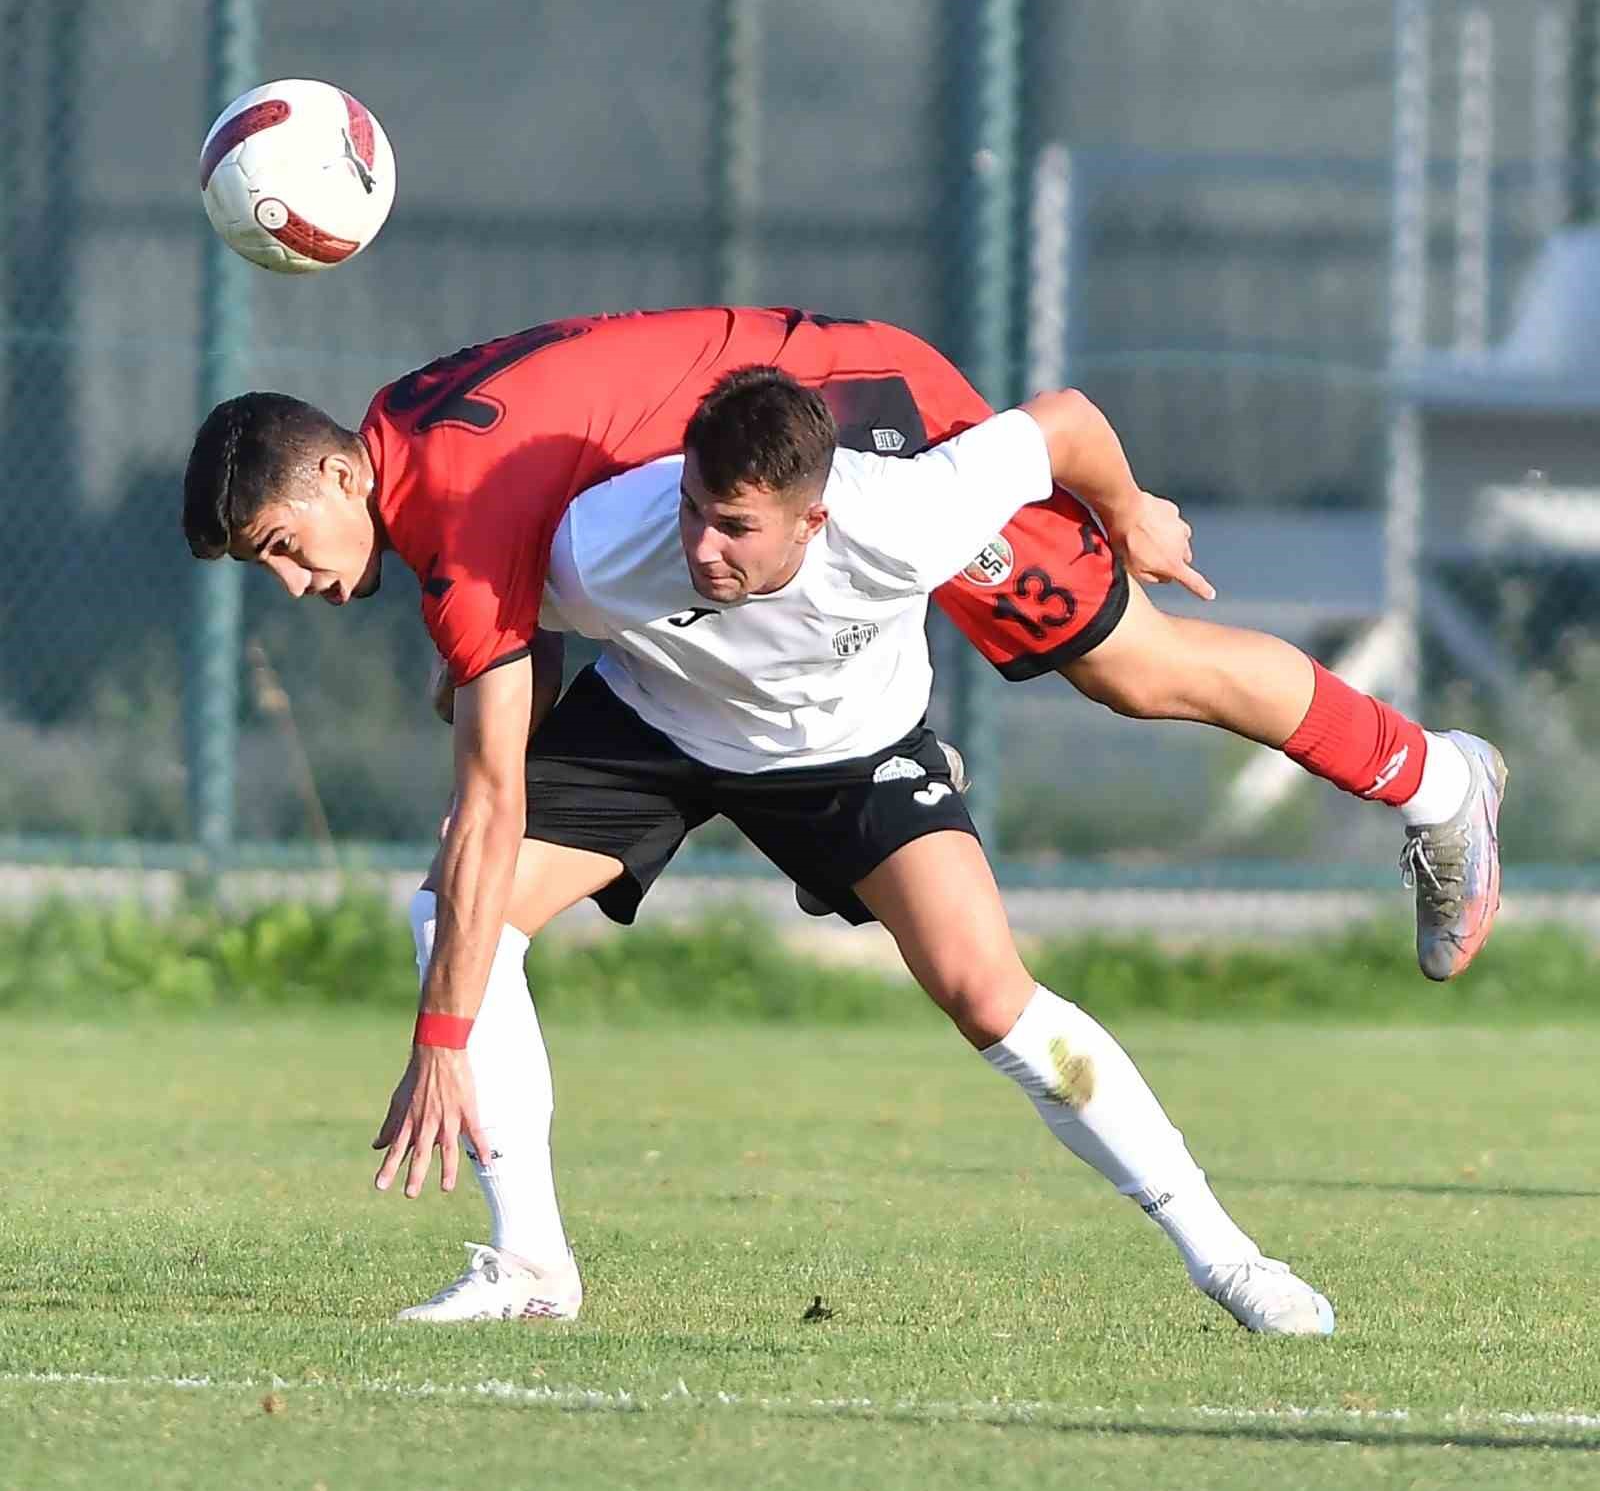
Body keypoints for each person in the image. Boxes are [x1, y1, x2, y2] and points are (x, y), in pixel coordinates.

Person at [380, 367, 1338, 1334]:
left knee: (990, 999)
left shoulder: (912, 514)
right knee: (459, 912)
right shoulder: (604, 542)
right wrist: (482, 680)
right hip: (654, 725)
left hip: (852, 749)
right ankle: (532, 1267)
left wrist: (1130, 513)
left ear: (814, 519)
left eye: (738, 528)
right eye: (694, 510)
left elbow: (1069, 422)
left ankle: (1229, 1259)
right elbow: (507, 623)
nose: (704, 547)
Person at [181, 306, 1506, 996]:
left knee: (1136, 666)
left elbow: (492, 753)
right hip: (772, 442)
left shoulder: (452, 507)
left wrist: (1122, 504)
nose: (292, 583)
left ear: (344, 474)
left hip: (865, 419)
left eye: (284, 546)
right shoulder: (410, 451)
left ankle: (1442, 786)